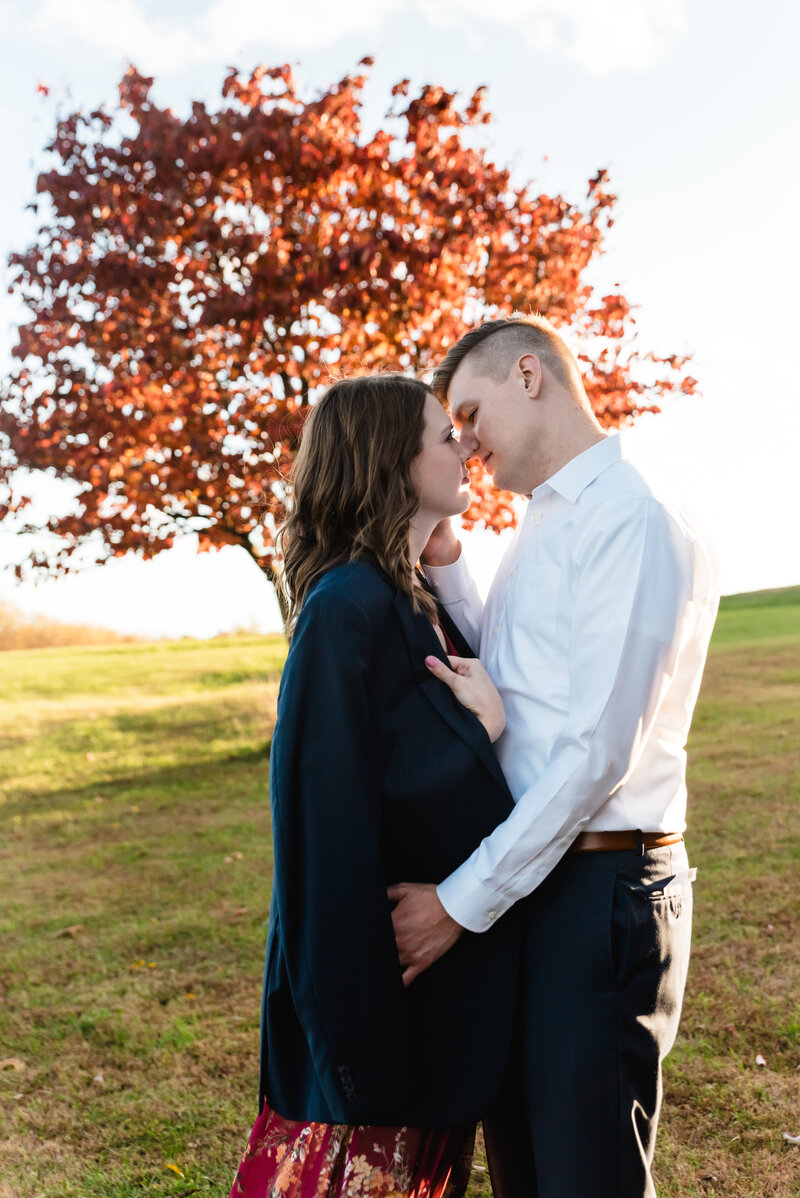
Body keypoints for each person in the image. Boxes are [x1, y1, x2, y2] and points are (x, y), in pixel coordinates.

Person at [390, 314, 721, 1198]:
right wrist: (450, 561)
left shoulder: (632, 517)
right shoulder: (549, 518)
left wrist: (459, 905)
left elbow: (593, 753)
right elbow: (520, 673)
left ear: (528, 377)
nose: (462, 442)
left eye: (468, 412)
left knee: (589, 1176)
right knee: (529, 1171)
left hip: (603, 889)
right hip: (542, 880)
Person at [229, 373, 521, 1198]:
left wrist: (490, 727)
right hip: (369, 1035)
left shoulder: (418, 600)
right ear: (391, 462)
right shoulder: (345, 608)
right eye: (441, 436)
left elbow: (429, 771)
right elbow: (323, 840)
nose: (463, 444)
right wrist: (356, 1062)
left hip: (436, 1021)